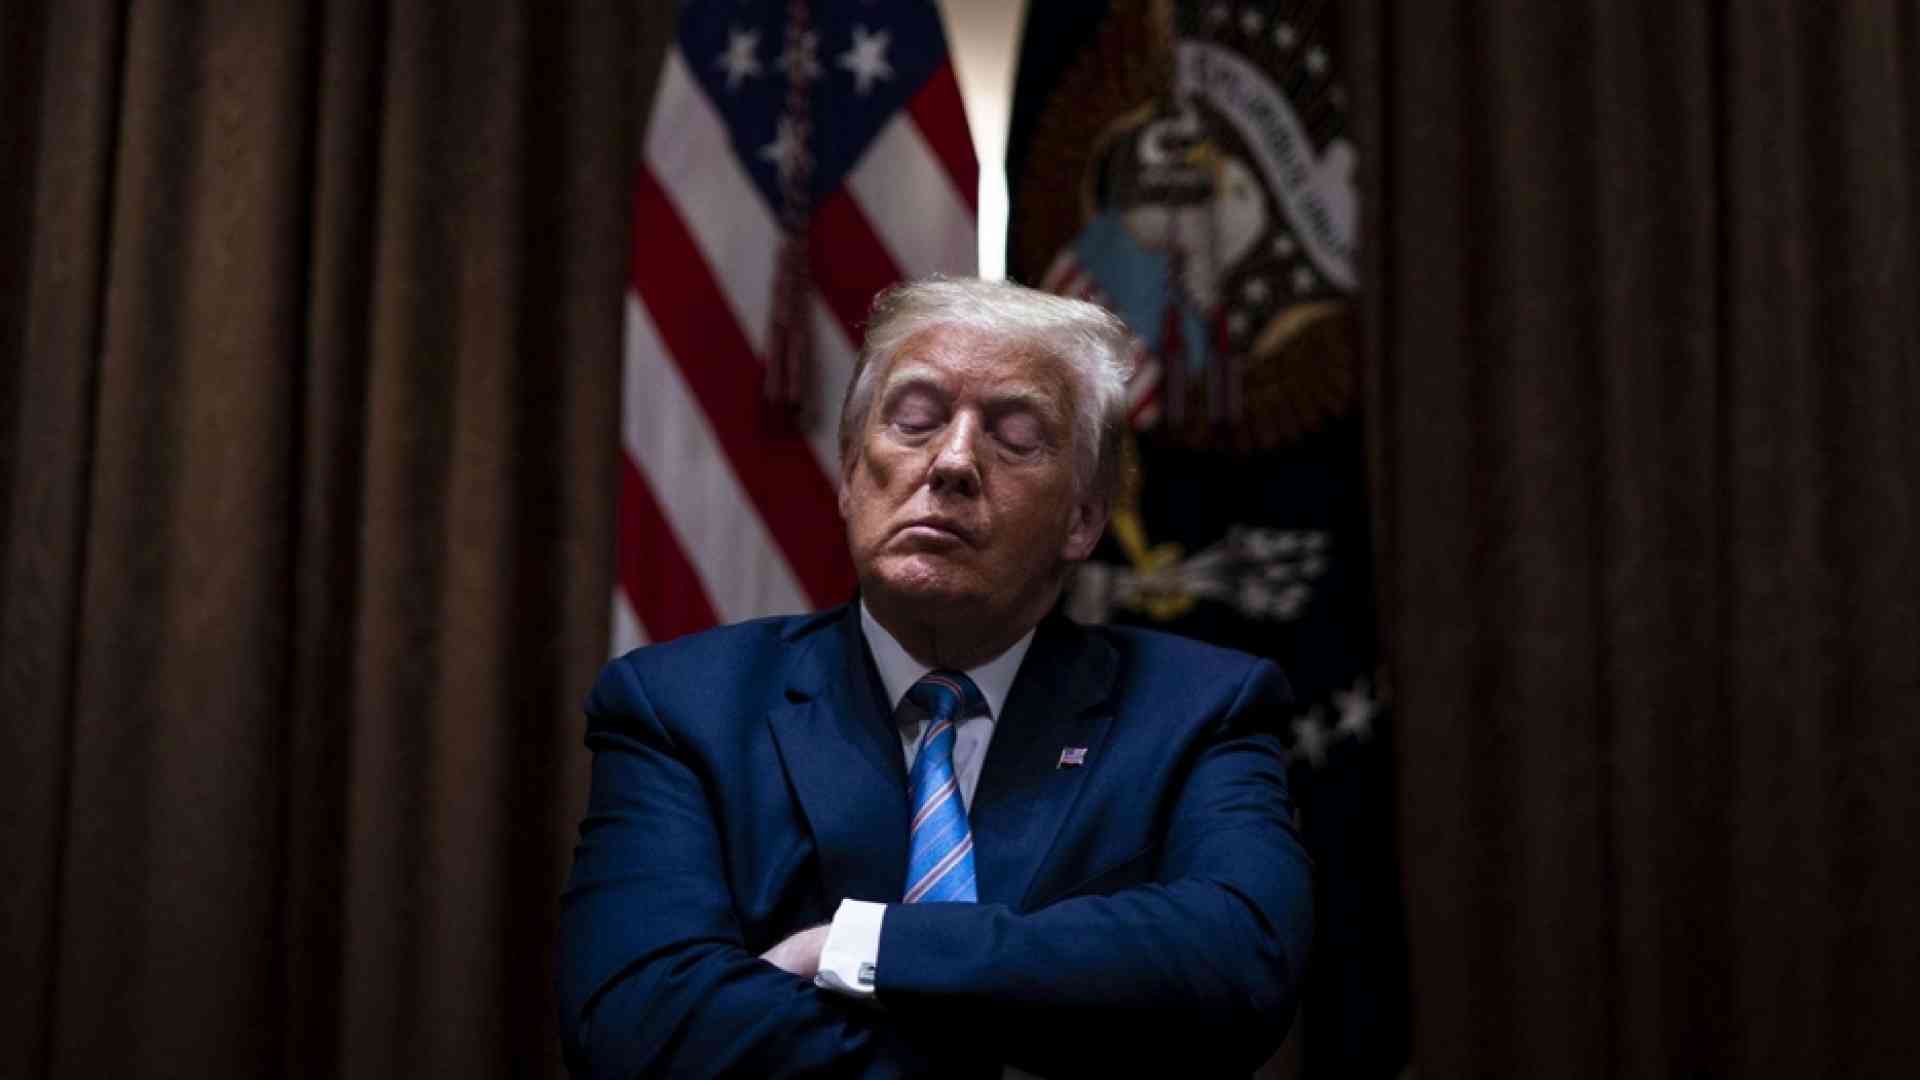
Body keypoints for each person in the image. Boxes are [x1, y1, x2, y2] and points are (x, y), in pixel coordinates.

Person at [558, 278, 1312, 1078]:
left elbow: (1240, 963)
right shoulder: (682, 707)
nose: (952, 462)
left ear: (1084, 519)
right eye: (914, 421)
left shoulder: (1200, 710)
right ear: (851, 476)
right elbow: (638, 1025)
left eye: (1016, 438)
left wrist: (864, 945)